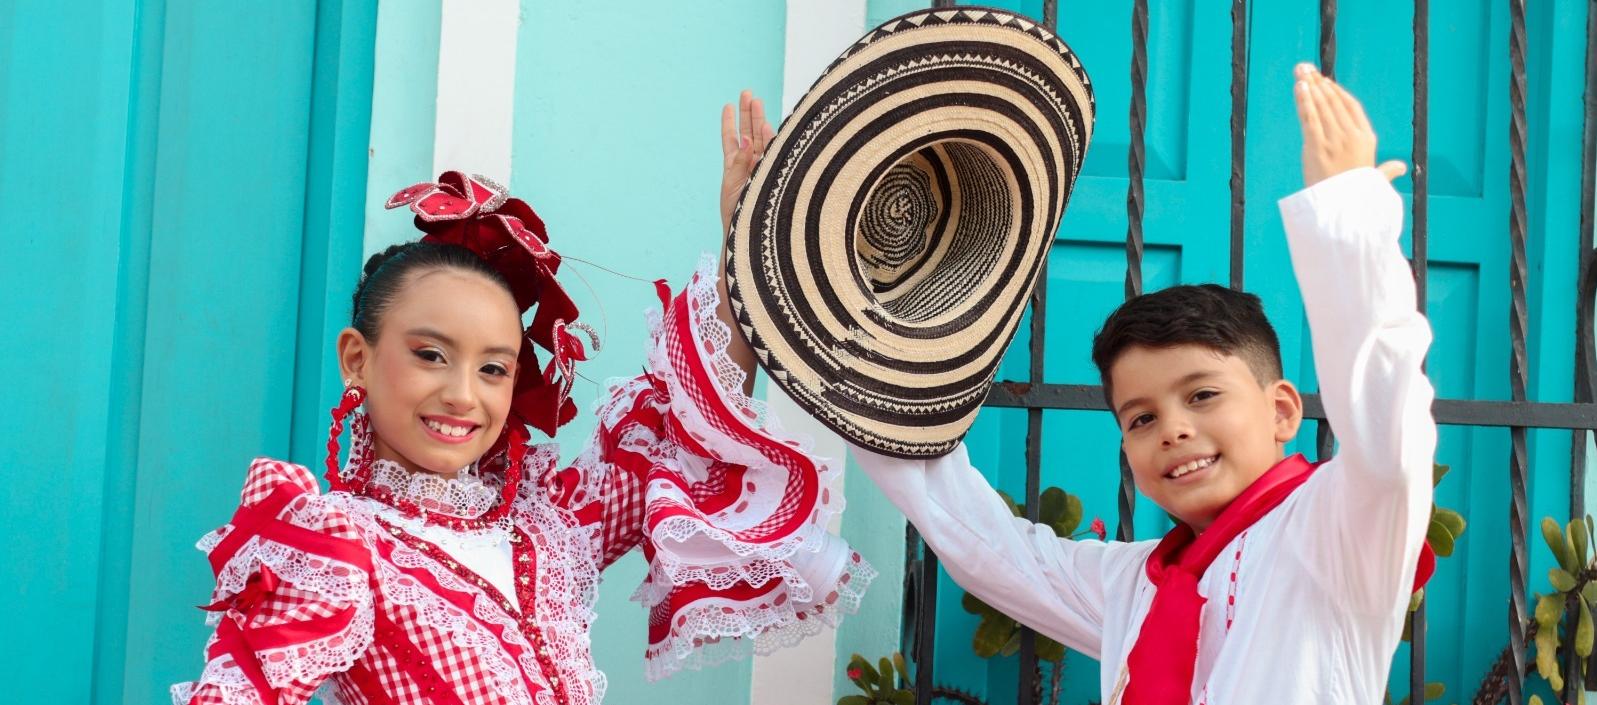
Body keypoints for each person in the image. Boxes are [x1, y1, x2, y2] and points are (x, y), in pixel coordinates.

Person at [172, 92, 872, 705]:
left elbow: (682, 433)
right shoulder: (336, 545)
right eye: (430, 355)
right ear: (357, 358)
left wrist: (746, 247)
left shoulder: (547, 526)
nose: (460, 394)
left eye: (493, 369)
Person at [847, 64, 1437, 704]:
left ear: (1283, 410)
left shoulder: (1337, 531)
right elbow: (984, 543)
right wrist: (817, 321)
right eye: (1140, 418)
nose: (1174, 428)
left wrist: (1348, 216)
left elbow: (1388, 420)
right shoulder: (1134, 586)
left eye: (1203, 395)